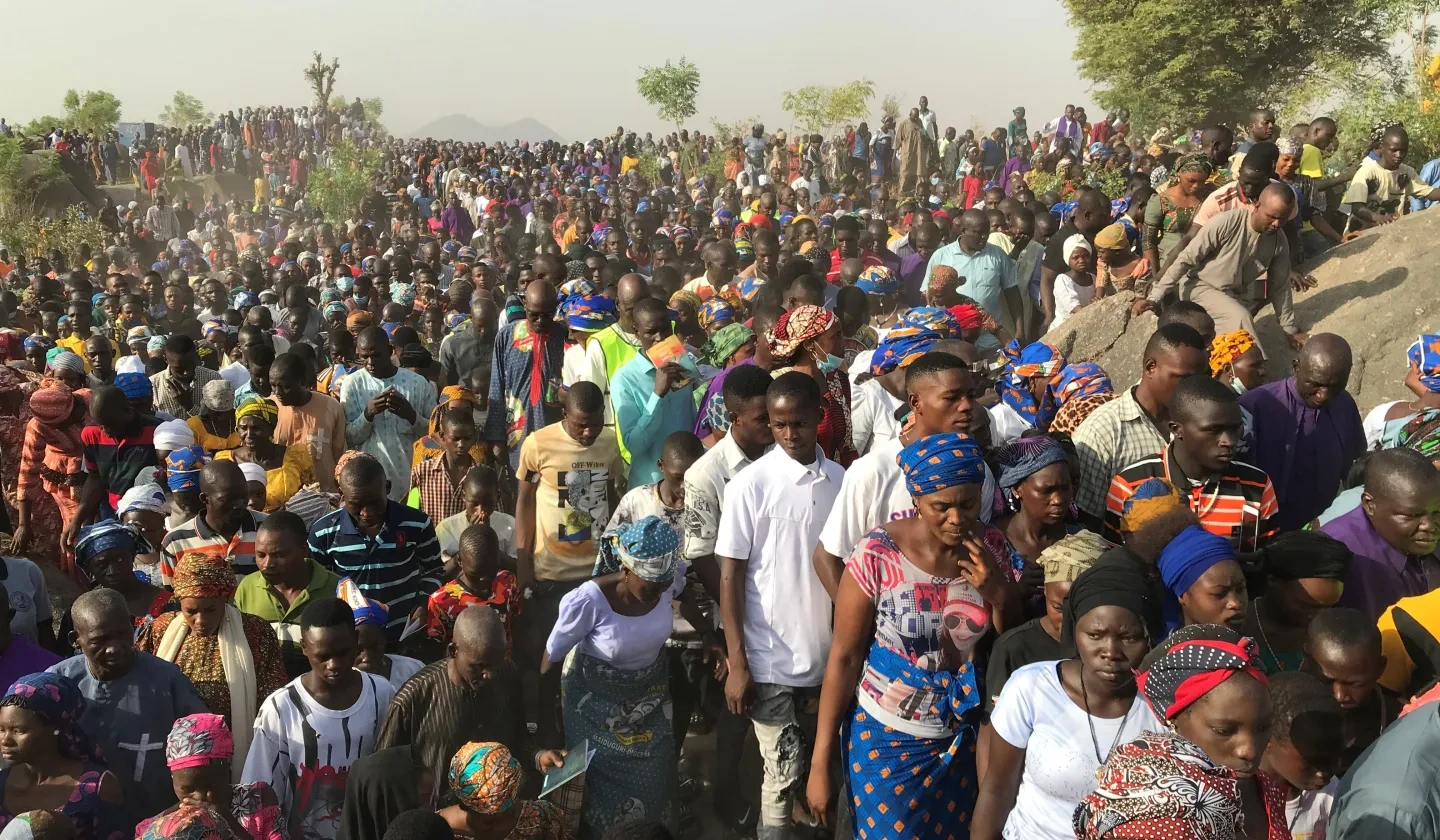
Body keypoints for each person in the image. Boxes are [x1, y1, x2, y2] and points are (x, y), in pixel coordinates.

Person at [807, 432, 1019, 839]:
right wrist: (820, 762)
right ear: (917, 501)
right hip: (888, 740)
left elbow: (1009, 644)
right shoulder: (878, 553)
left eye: (968, 504)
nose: (957, 519)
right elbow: (845, 658)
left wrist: (999, 593)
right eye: (941, 506)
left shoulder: (991, 548)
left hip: (965, 740)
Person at [716, 372, 843, 840]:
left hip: (829, 657)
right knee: (782, 772)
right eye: (779, 425)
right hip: (769, 660)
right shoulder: (750, 486)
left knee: (823, 768)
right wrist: (737, 661)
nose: (790, 435)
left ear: (819, 419)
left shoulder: (841, 482)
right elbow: (730, 576)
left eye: (800, 424)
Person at [971, 561, 1164, 840]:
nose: (1110, 651)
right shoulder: (1033, 688)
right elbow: (996, 790)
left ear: (1148, 638)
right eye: (1095, 635)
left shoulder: (1163, 707)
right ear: (1075, 632)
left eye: (1128, 637)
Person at [543, 517, 689, 837]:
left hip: (650, 701)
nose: (658, 594)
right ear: (625, 570)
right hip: (592, 708)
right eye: (650, 587)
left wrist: (714, 641)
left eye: (663, 588)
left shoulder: (666, 580)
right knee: (598, 788)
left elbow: (683, 596)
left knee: (656, 775)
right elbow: (550, 661)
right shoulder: (589, 602)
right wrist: (546, 728)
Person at [513, 382, 623, 732]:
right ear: (565, 415)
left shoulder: (609, 443)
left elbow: (612, 497)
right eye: (581, 425)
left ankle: (590, 730)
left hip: (597, 573)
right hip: (552, 575)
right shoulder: (537, 444)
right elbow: (525, 501)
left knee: (596, 659)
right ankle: (547, 731)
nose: (589, 431)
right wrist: (523, 562)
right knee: (551, 657)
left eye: (595, 423)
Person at [242, 598, 397, 840]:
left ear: (356, 640)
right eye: (322, 656)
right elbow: (259, 791)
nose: (333, 665)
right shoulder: (281, 708)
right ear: (304, 647)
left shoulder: (382, 693)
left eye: (342, 653)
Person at [49, 587, 209, 821]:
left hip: (158, 816)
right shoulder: (58, 683)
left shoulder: (167, 679)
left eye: (122, 634)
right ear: (76, 640)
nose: (114, 648)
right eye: (99, 641)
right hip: (80, 820)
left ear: (133, 624)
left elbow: (202, 741)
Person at [377, 606, 559, 809]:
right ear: (453, 651)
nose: (489, 674)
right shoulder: (413, 699)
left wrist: (538, 756)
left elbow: (519, 739)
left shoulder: (508, 675)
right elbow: (383, 774)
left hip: (498, 816)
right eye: (478, 666)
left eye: (495, 664)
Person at [1126, 624, 1287, 839]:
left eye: (1263, 727)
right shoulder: (1152, 809)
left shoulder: (1267, 790)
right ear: (1174, 719)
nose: (1249, 750)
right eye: (1224, 730)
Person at [136, 550, 288, 761]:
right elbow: (140, 684)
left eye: (210, 610)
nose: (200, 620)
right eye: (191, 611)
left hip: (233, 753)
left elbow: (272, 701)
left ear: (225, 600)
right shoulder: (161, 629)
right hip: (171, 754)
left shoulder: (255, 632)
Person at [1103, 374, 1279, 550]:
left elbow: (1270, 562)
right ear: (1177, 429)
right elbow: (1116, 567)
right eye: (1213, 430)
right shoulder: (1130, 486)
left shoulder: (1257, 485)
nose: (1229, 441)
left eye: (1235, 429)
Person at [1072, 324, 1208, 526]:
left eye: (1200, 379)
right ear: (1150, 367)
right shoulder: (1102, 433)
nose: (1192, 388)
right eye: (1183, 378)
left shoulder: (1205, 421)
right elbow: (1087, 521)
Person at [309, 454, 443, 644]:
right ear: (342, 495)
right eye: (357, 505)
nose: (367, 512)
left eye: (374, 502)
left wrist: (423, 603)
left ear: (387, 488)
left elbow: (434, 570)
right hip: (352, 641)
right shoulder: (323, 533)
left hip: (405, 635)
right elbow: (318, 585)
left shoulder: (416, 523)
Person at [1148, 187, 1302, 349]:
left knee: (1233, 331)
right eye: (1271, 217)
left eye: (1282, 219)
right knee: (1240, 318)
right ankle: (1255, 370)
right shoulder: (1226, 222)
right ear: (1257, 206)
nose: (1276, 223)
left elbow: (1280, 287)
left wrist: (1289, 330)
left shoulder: (1279, 241)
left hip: (1234, 295)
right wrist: (1155, 295)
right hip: (1199, 287)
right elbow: (1186, 258)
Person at [1242, 334, 1366, 532]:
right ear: (1296, 367)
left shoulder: (1343, 404)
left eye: (1335, 386)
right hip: (1265, 529)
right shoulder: (1255, 406)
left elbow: (1354, 466)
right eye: (1315, 384)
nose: (1323, 396)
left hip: (1324, 525)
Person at [984, 531, 1110, 711]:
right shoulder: (1013, 649)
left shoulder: (1114, 650)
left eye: (1080, 610)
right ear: (1045, 592)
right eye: (1058, 608)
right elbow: (992, 730)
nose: (1068, 622)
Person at [0, 673, 125, 840]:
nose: (5, 740)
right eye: (1, 729)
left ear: (55, 728)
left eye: (18, 731)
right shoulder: (2, 782)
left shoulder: (97, 787)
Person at [1320, 448, 1438, 620]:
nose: (1429, 525)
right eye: (1412, 515)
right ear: (1370, 505)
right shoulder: (1335, 557)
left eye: (1437, 511)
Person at [134, 714, 284, 840]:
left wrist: (225, 819)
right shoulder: (154, 828)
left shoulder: (258, 799)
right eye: (188, 788)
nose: (200, 796)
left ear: (227, 768)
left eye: (210, 785)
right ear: (172, 777)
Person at [236, 511, 343, 678]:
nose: (267, 564)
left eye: (279, 555)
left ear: (303, 551)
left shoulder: (338, 590)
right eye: (261, 555)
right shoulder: (247, 588)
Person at [340, 327, 436, 501]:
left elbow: (436, 436)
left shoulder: (417, 384)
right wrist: (368, 414)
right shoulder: (352, 385)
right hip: (370, 485)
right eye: (364, 357)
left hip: (412, 482)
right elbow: (349, 437)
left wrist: (410, 415)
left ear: (390, 351)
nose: (370, 362)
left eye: (376, 355)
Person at [611, 298, 699, 487]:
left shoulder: (684, 363)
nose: (660, 338)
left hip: (692, 481)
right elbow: (634, 445)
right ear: (636, 331)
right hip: (649, 486)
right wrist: (657, 395)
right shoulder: (625, 379)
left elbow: (695, 422)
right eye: (651, 332)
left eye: (666, 329)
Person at [481, 280, 566, 472]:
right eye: (534, 315)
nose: (540, 321)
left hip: (555, 432)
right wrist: (496, 438)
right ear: (525, 305)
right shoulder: (506, 336)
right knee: (520, 494)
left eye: (547, 315)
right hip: (516, 436)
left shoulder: (564, 336)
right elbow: (496, 385)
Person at [64, 385, 163, 550]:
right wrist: (77, 521)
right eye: (100, 424)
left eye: (109, 423)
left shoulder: (156, 431)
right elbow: (95, 478)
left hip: (146, 518)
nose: (104, 431)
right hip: (111, 512)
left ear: (127, 411)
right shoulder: (91, 434)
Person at [765, 304, 858, 467]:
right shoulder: (779, 388)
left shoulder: (837, 379)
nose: (842, 342)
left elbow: (847, 445)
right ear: (809, 344)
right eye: (835, 336)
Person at [1305, 607, 1398, 769]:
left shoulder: (1398, 723)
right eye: (1327, 681)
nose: (1340, 696)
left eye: (1355, 684)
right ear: (1307, 661)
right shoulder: (1278, 713)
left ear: (1380, 668)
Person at [1258, 673, 1346, 840]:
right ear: (1268, 739)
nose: (1325, 773)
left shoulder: (1331, 795)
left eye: (1335, 758)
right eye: (1313, 761)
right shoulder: (1236, 796)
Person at [924, 210, 1024, 346]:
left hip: (991, 341)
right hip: (953, 342)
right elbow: (927, 295)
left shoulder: (998, 256)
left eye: (986, 232)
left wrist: (1020, 332)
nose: (984, 237)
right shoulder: (941, 256)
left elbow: (1013, 294)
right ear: (963, 230)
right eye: (978, 232)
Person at [66, 519, 173, 641]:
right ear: (90, 569)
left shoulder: (169, 604)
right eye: (102, 565)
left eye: (120, 560)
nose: (113, 570)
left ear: (132, 556)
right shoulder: (81, 612)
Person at [159, 460, 267, 582]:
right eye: (228, 499)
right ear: (205, 499)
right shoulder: (176, 542)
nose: (239, 505)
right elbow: (171, 596)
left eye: (243, 497)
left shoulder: (270, 529)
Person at [13, 384, 85, 563]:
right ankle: (82, 580)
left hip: (103, 470)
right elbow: (27, 471)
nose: (64, 427)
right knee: (76, 528)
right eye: (57, 426)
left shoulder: (90, 401)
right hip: (65, 479)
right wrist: (24, 524)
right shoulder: (37, 426)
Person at [435, 742, 566, 840]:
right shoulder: (433, 832)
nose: (496, 829)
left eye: (510, 814)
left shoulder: (540, 819)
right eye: (488, 822)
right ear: (464, 804)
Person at [425, 524, 519, 649]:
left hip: (505, 666)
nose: (485, 578)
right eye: (476, 573)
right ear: (459, 561)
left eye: (492, 569)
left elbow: (518, 625)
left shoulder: (507, 582)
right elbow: (436, 650)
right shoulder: (441, 602)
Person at [215, 398, 316, 512]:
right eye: (243, 428)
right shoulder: (224, 461)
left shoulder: (296, 456)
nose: (249, 434)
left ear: (271, 429)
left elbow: (312, 494)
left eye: (256, 428)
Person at [270, 353, 347, 495]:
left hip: (325, 495)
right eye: (273, 386)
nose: (277, 392)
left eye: (285, 386)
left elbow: (340, 453)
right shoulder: (269, 408)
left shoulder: (330, 406)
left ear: (302, 381)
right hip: (283, 497)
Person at [150, 335, 225, 420]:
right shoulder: (153, 385)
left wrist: (189, 406)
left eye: (190, 365)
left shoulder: (212, 378)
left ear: (196, 355)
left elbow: (220, 420)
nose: (186, 372)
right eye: (179, 368)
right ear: (165, 359)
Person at [187, 379, 242, 455]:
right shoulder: (193, 425)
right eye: (213, 412)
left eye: (222, 412)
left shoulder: (242, 421)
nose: (218, 417)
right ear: (206, 407)